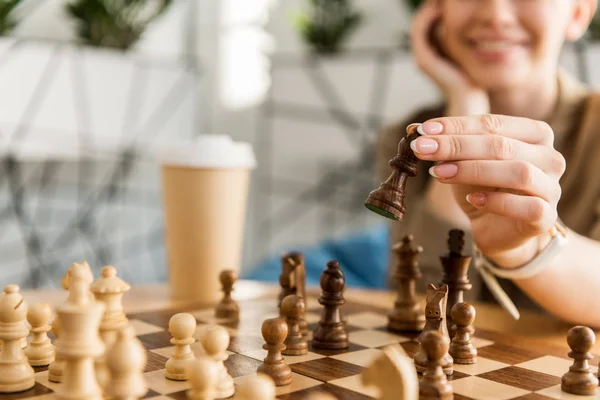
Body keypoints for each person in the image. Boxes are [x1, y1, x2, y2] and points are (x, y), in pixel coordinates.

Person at [378, 0, 600, 327]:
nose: (495, 14)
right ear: (437, 9)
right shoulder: (407, 138)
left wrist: (524, 249)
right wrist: (465, 103)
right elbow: (418, 304)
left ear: (578, 12)